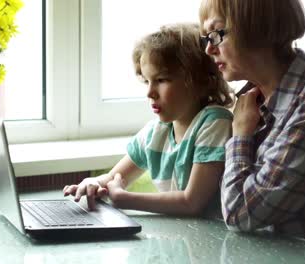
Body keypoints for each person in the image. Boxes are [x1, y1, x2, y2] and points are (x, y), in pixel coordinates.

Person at [199, 0, 305, 252]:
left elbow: (240, 212)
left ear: (258, 27)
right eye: (206, 37)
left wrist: (240, 135)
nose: (208, 49)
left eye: (216, 34)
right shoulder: (254, 99)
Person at [63, 23, 234, 216]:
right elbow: (113, 178)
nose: (150, 93)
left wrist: (126, 199)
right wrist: (94, 183)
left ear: (200, 80)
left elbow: (191, 202)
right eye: (147, 81)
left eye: (161, 80)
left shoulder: (215, 122)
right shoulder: (155, 132)